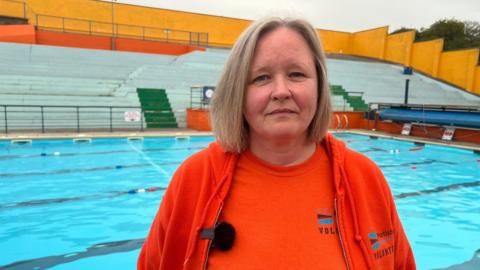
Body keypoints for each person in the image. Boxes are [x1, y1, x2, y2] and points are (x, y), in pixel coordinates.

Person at [138, 17, 416, 270]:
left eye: (297, 74)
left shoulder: (365, 179)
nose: (281, 91)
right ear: (238, 93)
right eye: (261, 78)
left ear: (319, 85)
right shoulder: (194, 180)